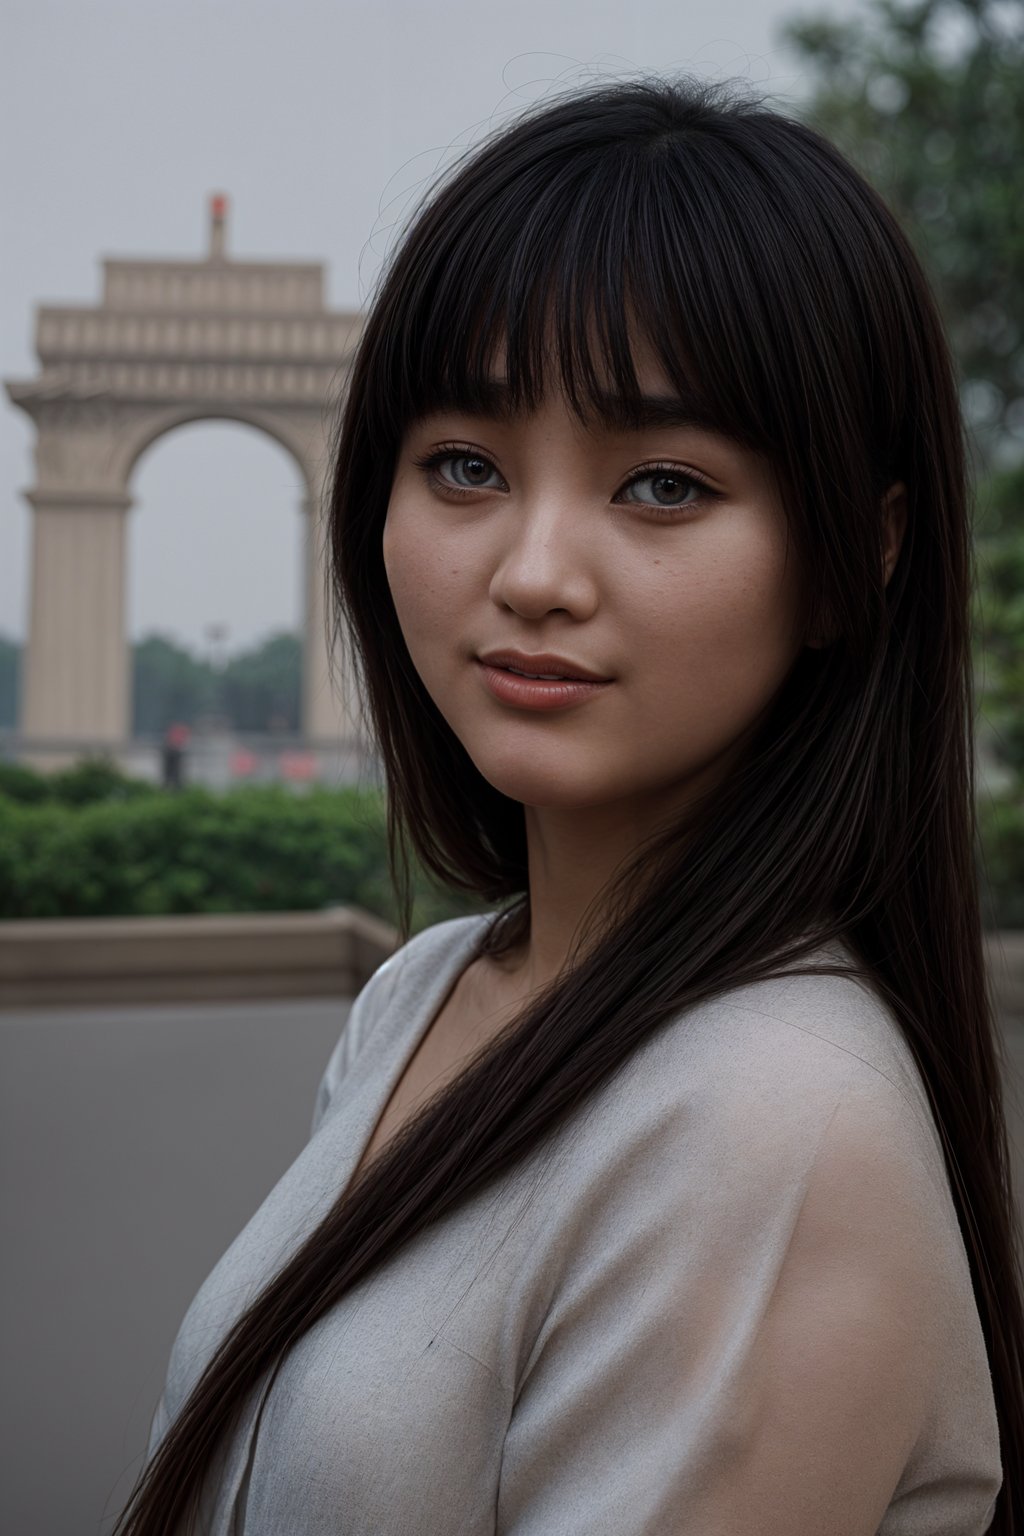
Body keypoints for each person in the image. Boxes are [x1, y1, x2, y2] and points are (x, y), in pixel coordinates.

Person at [116, 75, 1020, 1534]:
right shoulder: (424, 994)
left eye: (662, 484)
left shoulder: (772, 1117)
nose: (533, 572)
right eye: (464, 465)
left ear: (865, 544)